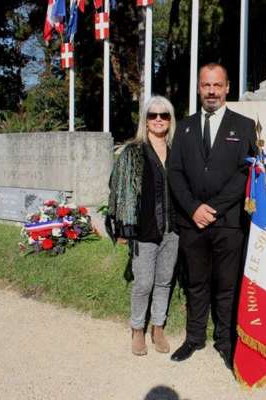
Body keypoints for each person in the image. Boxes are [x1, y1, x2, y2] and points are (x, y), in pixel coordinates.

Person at [168, 63, 257, 369]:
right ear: (198, 88)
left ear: (227, 87)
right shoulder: (185, 126)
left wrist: (214, 208)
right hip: (192, 223)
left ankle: (225, 340)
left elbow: (246, 172)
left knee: (226, 285)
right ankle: (194, 338)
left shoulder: (245, 126)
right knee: (195, 282)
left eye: (217, 85)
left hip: (228, 222)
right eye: (206, 85)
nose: (211, 91)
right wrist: (193, 208)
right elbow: (175, 172)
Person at [107, 95, 179, 356]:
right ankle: (137, 329)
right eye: (153, 115)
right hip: (144, 230)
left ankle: (157, 327)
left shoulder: (178, 150)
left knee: (164, 281)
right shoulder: (132, 152)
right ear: (146, 120)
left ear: (171, 120)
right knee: (143, 283)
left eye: (164, 115)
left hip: (173, 229)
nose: (158, 119)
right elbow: (118, 190)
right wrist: (123, 229)